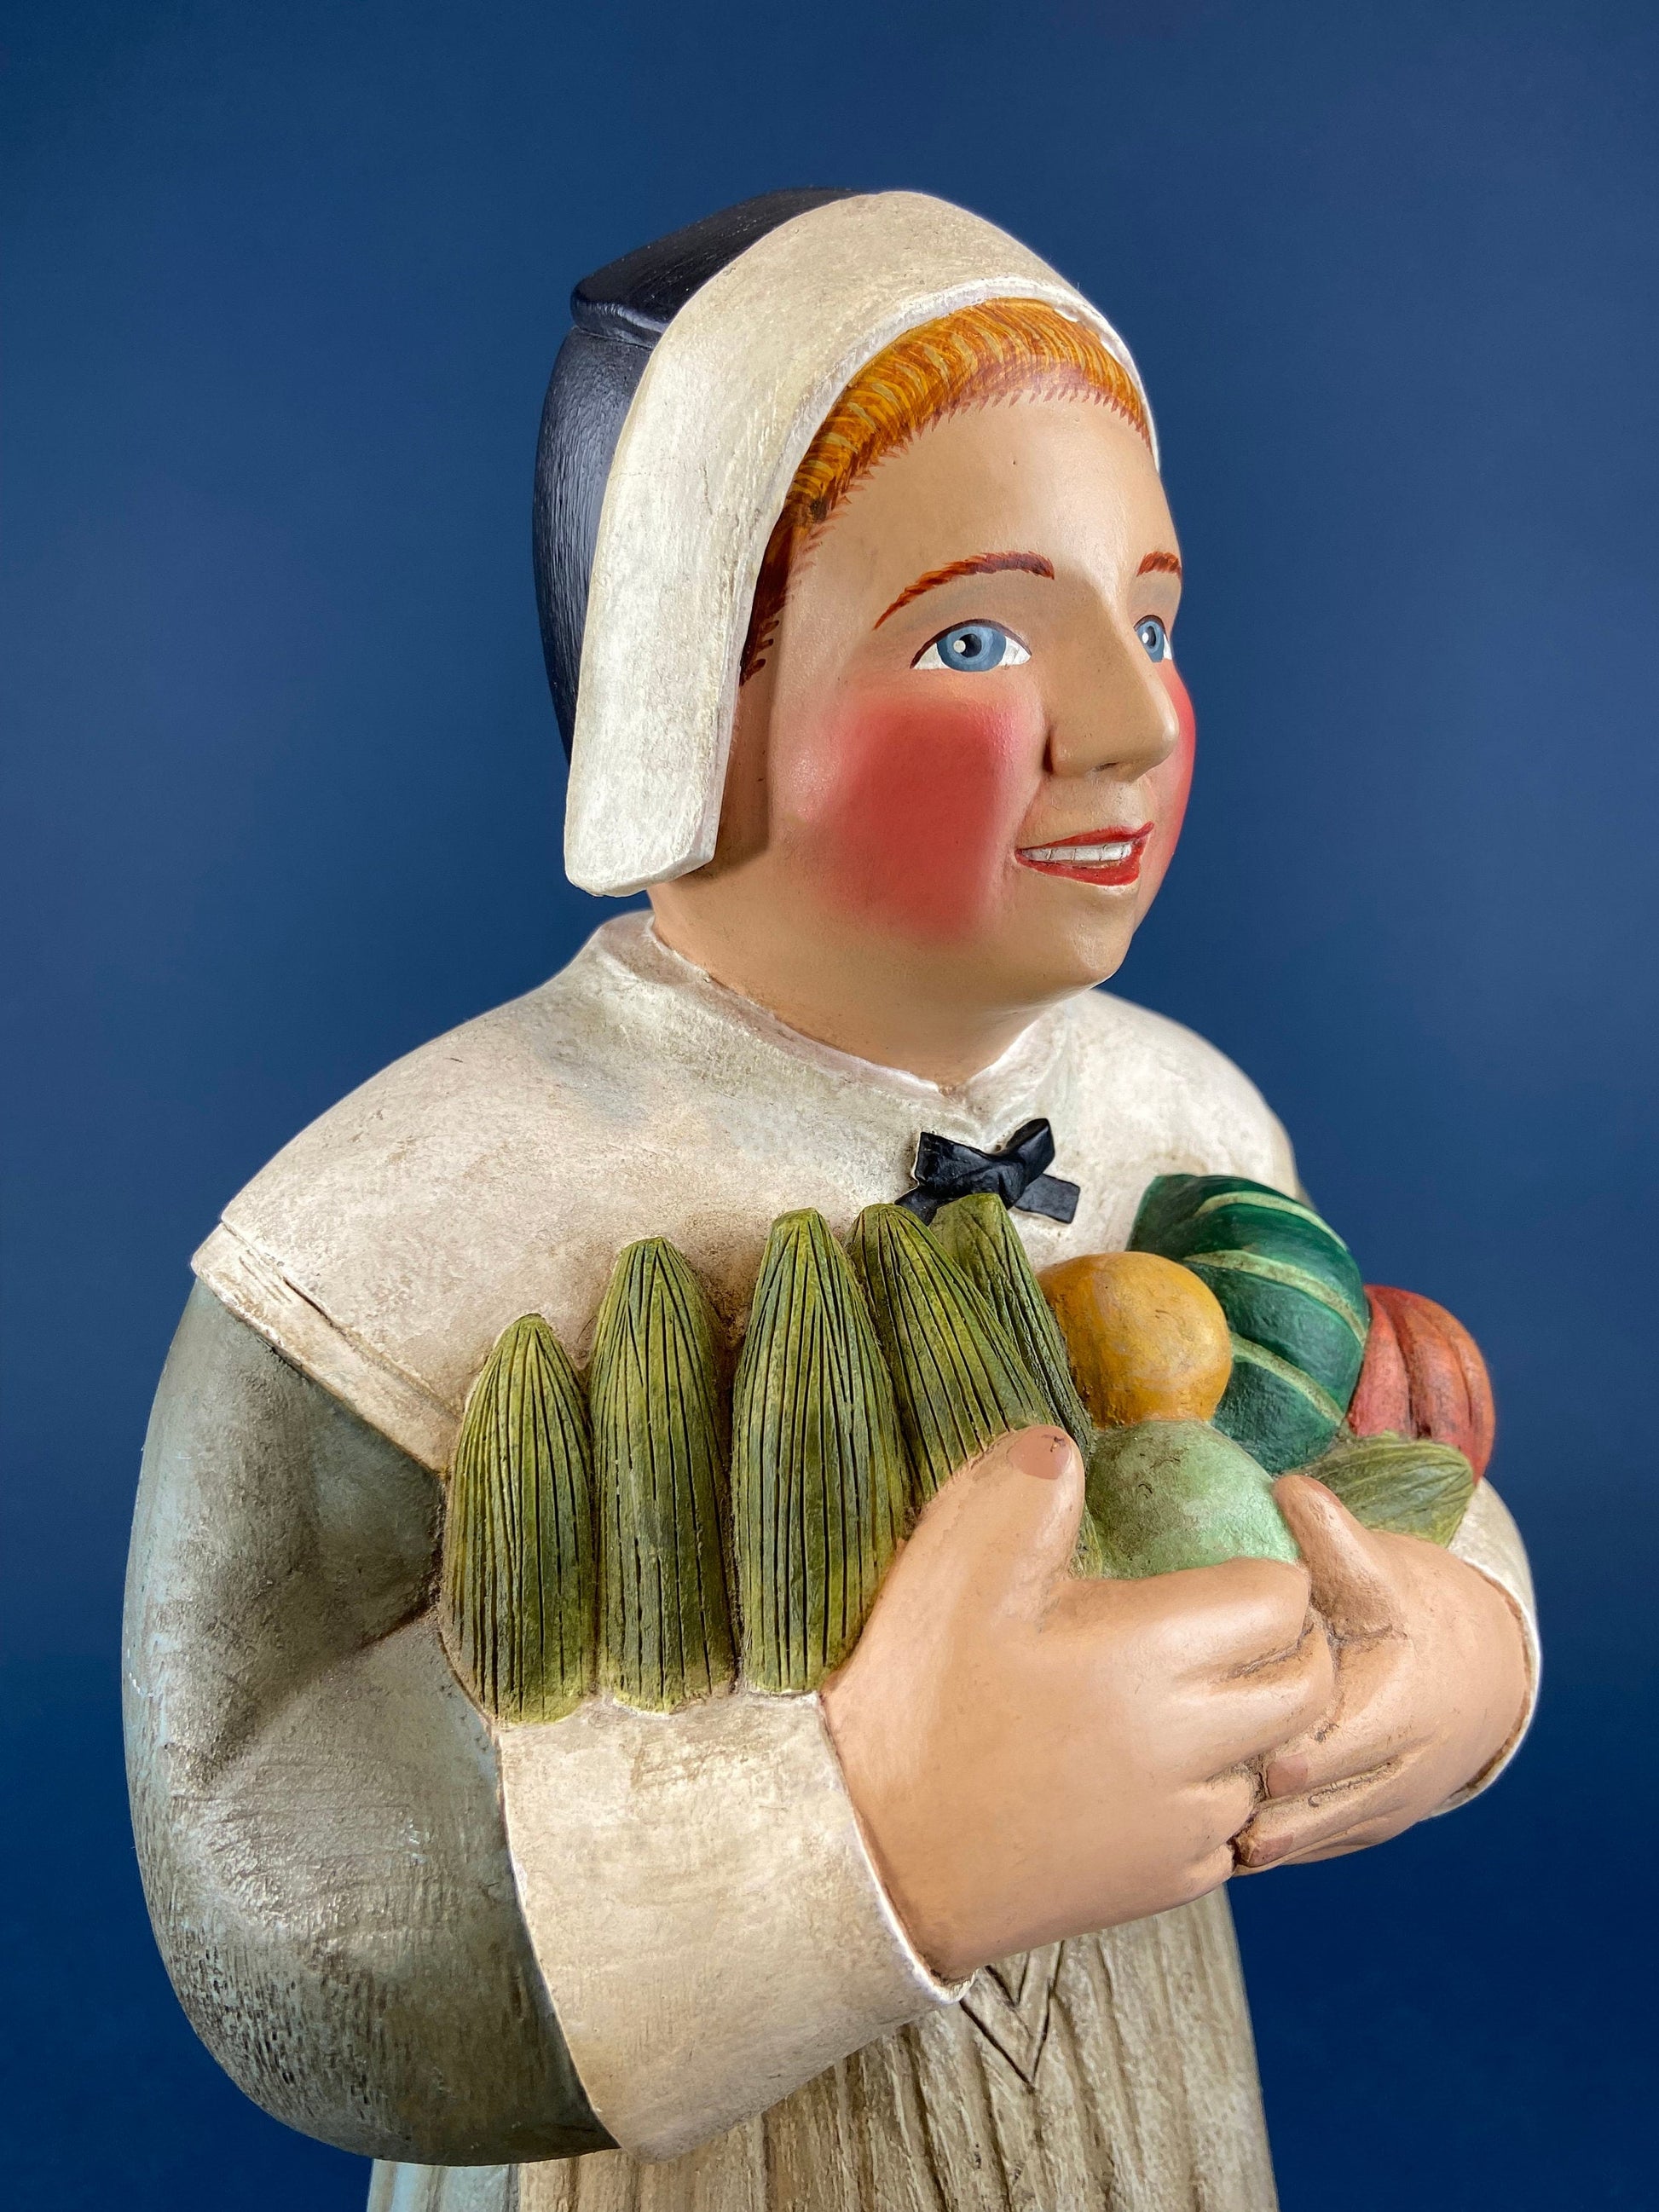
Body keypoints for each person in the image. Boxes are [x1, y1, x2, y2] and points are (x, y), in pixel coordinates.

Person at [124, 190, 1537, 2212]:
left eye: (1149, 620)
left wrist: (1461, 1645)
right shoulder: (406, 1220)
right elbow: (270, 1894)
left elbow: (1338, 1449)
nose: (1131, 722)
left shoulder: (1178, 1117)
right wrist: (869, 1830)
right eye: (977, 636)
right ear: (689, 694)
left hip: (1135, 2119)